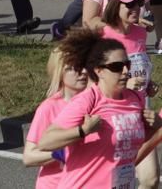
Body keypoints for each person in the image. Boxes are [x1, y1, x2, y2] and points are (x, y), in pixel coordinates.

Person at [38, 27, 160, 188]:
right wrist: (82, 131)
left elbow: (129, 142)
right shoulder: (88, 100)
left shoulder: (134, 99)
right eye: (116, 67)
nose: (125, 71)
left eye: (127, 65)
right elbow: (46, 142)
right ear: (99, 71)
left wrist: (154, 127)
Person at [23, 46, 90, 187]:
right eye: (74, 68)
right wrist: (61, 153)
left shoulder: (98, 103)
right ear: (59, 73)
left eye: (85, 65)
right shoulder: (49, 108)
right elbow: (29, 157)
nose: (83, 72)